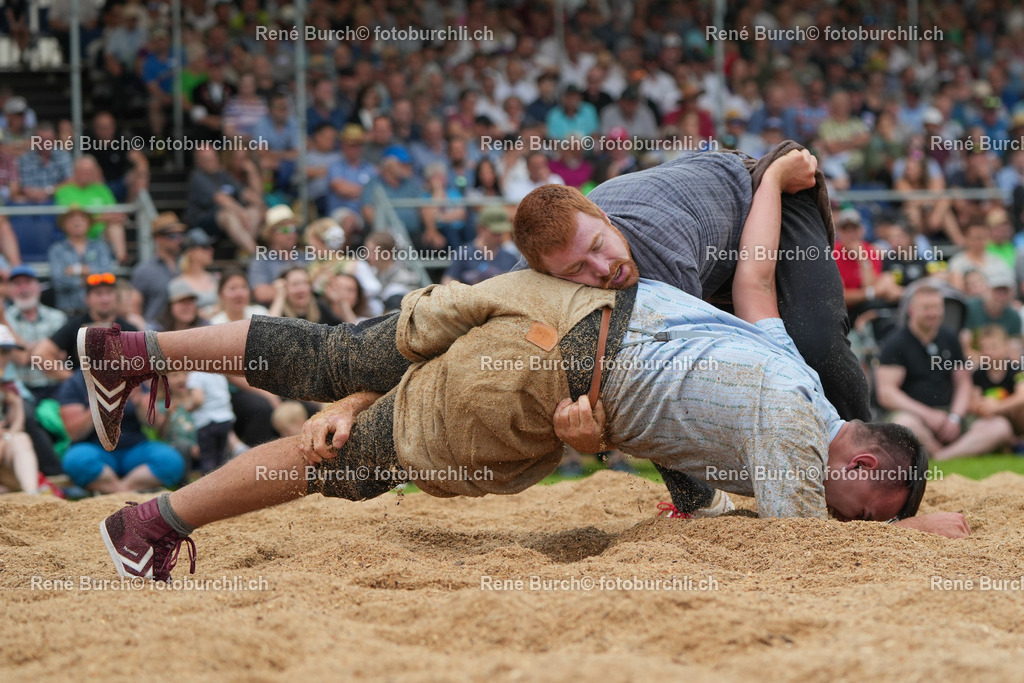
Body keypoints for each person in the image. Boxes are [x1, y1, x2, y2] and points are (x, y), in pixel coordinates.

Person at [93, 165, 957, 582]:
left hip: (546, 309)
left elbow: (757, 275)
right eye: (863, 510)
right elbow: (800, 549)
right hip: (556, 378)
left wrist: (772, 173)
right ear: (858, 464)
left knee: (336, 353)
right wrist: (912, 535)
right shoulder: (796, 438)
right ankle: (150, 522)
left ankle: (131, 352)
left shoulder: (792, 368)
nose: (855, 522)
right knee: (351, 457)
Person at [875, 284, 1014, 461]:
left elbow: (963, 382)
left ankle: (942, 456)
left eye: (937, 308)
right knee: (904, 425)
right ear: (912, 310)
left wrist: (955, 417)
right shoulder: (895, 343)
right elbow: (886, 394)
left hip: (949, 415)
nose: (933, 313)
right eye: (926, 308)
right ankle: (945, 450)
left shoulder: (949, 338)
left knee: (1001, 427)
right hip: (915, 416)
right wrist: (928, 415)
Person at [4, 265, 68, 402]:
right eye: (17, 284)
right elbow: (19, 358)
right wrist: (45, 351)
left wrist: (27, 350)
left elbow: (62, 355)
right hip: (21, 389)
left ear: (38, 287)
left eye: (27, 283)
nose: (23, 289)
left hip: (55, 386)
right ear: (9, 290)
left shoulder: (57, 317)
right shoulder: (5, 320)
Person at [47, 207, 116, 315]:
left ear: (89, 224)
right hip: (68, 312)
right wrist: (89, 279)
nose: (77, 221)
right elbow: (58, 280)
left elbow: (107, 273)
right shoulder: (57, 249)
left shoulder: (100, 246)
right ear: (64, 225)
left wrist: (75, 270)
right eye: (71, 218)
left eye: (82, 218)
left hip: (97, 313)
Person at [0, 325, 41, 495]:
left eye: (7, 352)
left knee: (21, 439)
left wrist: (16, 403)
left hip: (3, 443)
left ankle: (32, 497)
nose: (5, 358)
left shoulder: (7, 383)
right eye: (1, 351)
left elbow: (16, 427)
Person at [131, 212, 185, 323]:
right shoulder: (144, 271)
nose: (178, 240)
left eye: (180, 235)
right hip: (156, 332)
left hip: (185, 329)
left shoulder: (187, 264)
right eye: (172, 236)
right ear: (157, 238)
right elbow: (135, 309)